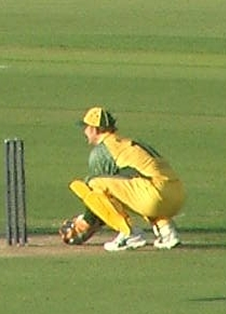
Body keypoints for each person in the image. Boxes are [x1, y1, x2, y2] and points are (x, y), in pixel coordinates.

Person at [66, 107, 185, 251]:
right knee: (137, 182)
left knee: (91, 183)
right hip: (177, 196)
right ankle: (166, 231)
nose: (84, 131)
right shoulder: (129, 142)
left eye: (86, 127)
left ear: (94, 129)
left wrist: (85, 223)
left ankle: (129, 234)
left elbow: (100, 196)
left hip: (153, 197)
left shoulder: (102, 152)